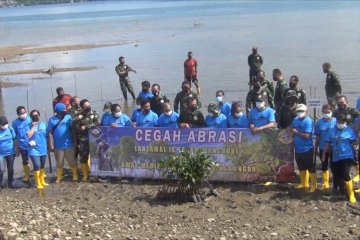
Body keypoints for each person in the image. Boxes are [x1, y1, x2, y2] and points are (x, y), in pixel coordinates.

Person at [323, 113, 358, 203]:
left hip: (347, 155)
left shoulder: (349, 130)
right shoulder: (331, 130)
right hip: (336, 156)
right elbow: (327, 142)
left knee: (345, 173)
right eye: (338, 121)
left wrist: (358, 140)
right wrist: (324, 153)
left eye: (342, 122)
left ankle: (351, 194)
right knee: (337, 174)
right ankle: (343, 191)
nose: (340, 123)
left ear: (345, 122)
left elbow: (354, 142)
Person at [332, 95, 360, 182]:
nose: (341, 104)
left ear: (347, 102)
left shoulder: (353, 111)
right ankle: (343, 174)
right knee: (342, 157)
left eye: (342, 102)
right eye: (339, 103)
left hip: (352, 136)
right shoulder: (335, 112)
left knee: (356, 157)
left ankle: (358, 174)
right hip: (340, 138)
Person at [47, 103, 77, 183]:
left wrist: (75, 142)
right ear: (59, 111)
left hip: (69, 144)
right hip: (58, 146)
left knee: (72, 161)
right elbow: (49, 133)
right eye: (64, 109)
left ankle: (75, 174)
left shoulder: (68, 117)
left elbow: (73, 130)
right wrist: (50, 145)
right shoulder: (52, 120)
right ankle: (59, 176)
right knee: (59, 162)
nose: (65, 110)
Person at [72, 99, 100, 182]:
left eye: (89, 105)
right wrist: (78, 119)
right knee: (83, 157)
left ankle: (96, 174)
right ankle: (85, 174)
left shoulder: (94, 113)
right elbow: (73, 124)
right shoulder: (79, 114)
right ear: (82, 107)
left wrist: (87, 126)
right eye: (86, 106)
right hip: (83, 139)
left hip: (94, 138)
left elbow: (97, 122)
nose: (88, 107)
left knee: (95, 157)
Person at [291, 104, 316, 192]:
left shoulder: (308, 121)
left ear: (306, 112)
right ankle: (303, 183)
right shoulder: (295, 119)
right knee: (301, 167)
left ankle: (314, 185)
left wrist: (296, 132)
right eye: (298, 111)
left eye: (302, 111)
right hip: (297, 149)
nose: (300, 113)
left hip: (307, 149)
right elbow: (291, 129)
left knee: (310, 167)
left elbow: (306, 135)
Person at [314, 104, 336, 190]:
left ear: (332, 111)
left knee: (334, 166)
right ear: (322, 113)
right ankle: (325, 183)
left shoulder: (335, 121)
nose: (326, 114)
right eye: (324, 112)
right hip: (323, 148)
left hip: (334, 148)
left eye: (328, 112)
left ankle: (335, 182)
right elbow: (318, 136)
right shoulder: (319, 122)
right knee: (324, 165)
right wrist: (316, 147)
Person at [27, 110, 48, 190]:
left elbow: (47, 135)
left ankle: (42, 180)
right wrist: (33, 126)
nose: (35, 116)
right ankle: (38, 182)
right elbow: (28, 136)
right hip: (33, 149)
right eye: (33, 115)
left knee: (42, 165)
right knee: (37, 165)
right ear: (31, 117)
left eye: (36, 115)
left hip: (43, 147)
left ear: (39, 115)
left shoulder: (43, 124)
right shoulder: (28, 125)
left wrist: (50, 145)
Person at [12, 106, 32, 182]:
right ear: (18, 114)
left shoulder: (30, 119)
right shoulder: (15, 123)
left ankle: (38, 172)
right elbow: (14, 136)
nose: (23, 114)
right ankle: (27, 175)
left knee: (35, 158)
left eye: (24, 112)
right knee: (25, 160)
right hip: (23, 145)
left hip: (32, 144)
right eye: (21, 113)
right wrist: (17, 148)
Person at [0, 116, 16, 188]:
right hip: (1, 154)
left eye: (6, 123)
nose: (5, 125)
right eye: (3, 124)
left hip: (11, 152)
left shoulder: (10, 129)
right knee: (1, 170)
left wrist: (18, 150)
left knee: (10, 169)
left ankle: (10, 183)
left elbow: (15, 139)